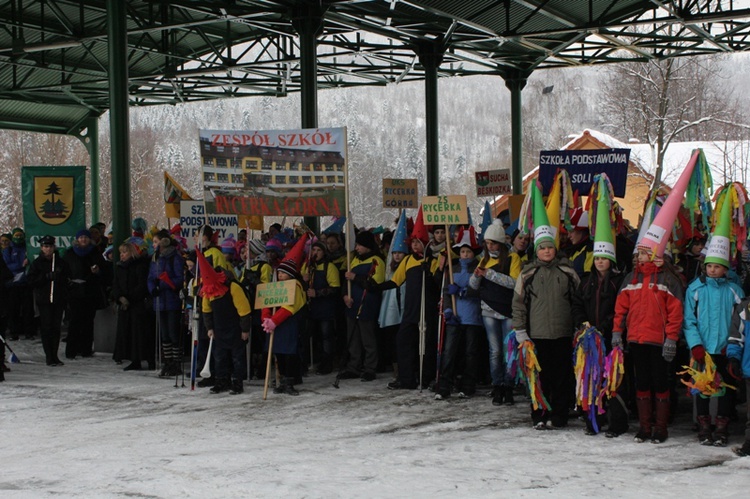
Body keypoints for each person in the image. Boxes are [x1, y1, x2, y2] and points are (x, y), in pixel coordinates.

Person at [512, 183, 580, 429]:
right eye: (543, 248)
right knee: (539, 377)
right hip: (537, 335)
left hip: (562, 333)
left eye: (550, 247)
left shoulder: (568, 272)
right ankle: (539, 413)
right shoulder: (527, 274)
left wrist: (577, 327)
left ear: (555, 248)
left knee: (561, 377)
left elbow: (577, 300)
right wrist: (520, 330)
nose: (547, 251)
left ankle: (559, 414)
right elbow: (519, 304)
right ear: (537, 251)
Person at [683, 199, 745, 446]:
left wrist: (733, 348)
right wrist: (695, 345)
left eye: (717, 267)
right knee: (702, 389)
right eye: (708, 266)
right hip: (703, 349)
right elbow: (689, 320)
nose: (711, 270)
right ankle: (704, 426)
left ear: (725, 268)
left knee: (726, 388)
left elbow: (739, 319)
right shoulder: (695, 289)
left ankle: (722, 427)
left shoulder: (734, 291)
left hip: (725, 348)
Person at [613, 247, 684, 443]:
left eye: (643, 254)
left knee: (660, 382)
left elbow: (676, 313)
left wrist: (671, 338)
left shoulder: (668, 279)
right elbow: (621, 308)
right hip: (637, 339)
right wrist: (617, 332)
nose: (639, 257)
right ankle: (645, 427)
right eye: (637, 254)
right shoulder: (631, 278)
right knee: (641, 381)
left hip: (659, 341)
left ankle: (660, 428)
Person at [378, 209, 439, 390]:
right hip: (411, 310)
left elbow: (437, 284)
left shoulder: (432, 260)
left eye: (418, 242)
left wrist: (430, 271)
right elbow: (395, 282)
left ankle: (425, 377)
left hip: (427, 309)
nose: (414, 246)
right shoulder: (407, 261)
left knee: (426, 345)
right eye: (412, 243)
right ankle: (406, 378)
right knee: (403, 341)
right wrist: (374, 287)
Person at [469, 219, 517, 405]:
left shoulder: (513, 259)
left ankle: (509, 386)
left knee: (508, 351)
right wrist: (476, 275)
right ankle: (497, 386)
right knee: (495, 351)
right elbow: (473, 286)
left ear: (501, 243)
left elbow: (514, 283)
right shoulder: (483, 259)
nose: (490, 246)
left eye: (493, 243)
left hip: (506, 310)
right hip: (488, 310)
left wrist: (489, 274)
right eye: (487, 243)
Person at [435, 227, 483, 400]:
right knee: (449, 352)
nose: (465, 254)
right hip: (455, 316)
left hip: (472, 316)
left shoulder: (479, 268)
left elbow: (481, 290)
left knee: (470, 353)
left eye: (468, 251)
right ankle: (444, 387)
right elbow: (446, 293)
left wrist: (463, 292)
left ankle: (468, 385)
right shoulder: (451, 269)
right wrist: (448, 311)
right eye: (462, 251)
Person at [198, 251, 252, 395]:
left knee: (237, 358)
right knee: (219, 357)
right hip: (219, 330)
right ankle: (222, 381)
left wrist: (245, 329)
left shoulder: (233, 287)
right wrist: (209, 328)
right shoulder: (208, 291)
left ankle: (237, 382)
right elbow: (206, 310)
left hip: (235, 329)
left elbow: (244, 310)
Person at [261, 236, 308, 396]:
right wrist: (266, 318)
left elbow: (290, 307)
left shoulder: (295, 286)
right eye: (279, 272)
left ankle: (290, 381)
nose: (280, 275)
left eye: (283, 273)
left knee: (290, 354)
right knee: (278, 353)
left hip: (288, 325)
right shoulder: (275, 285)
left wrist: (274, 320)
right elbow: (266, 302)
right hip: (277, 325)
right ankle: (280, 379)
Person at [340, 231, 385, 382]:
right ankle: (354, 366)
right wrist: (345, 295)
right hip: (352, 305)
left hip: (367, 305)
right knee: (353, 338)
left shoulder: (376, 260)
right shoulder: (354, 260)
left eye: (359, 245)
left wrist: (355, 277)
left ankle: (370, 368)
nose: (357, 248)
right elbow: (347, 282)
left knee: (368, 338)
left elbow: (374, 283)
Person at [63, 229, 108, 359]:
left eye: (85, 238)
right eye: (81, 237)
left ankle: (86, 349)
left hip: (90, 292)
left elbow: (104, 271)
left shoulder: (95, 253)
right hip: (74, 292)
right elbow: (65, 271)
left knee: (88, 322)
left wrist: (98, 272)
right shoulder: (70, 253)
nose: (83, 240)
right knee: (74, 321)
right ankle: (72, 349)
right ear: (77, 239)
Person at [27, 235, 70, 366]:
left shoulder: (60, 262)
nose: (48, 249)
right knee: (46, 327)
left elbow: (68, 278)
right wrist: (45, 278)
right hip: (44, 300)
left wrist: (60, 278)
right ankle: (49, 356)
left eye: (50, 246)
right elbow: (31, 281)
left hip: (58, 299)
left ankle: (55, 355)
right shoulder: (37, 263)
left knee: (56, 328)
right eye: (46, 246)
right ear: (42, 248)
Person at [148, 229, 185, 377]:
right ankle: (167, 361)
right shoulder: (155, 258)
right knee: (164, 333)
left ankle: (176, 362)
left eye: (156, 242)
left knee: (173, 332)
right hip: (160, 300)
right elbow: (150, 276)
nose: (154, 245)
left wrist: (162, 285)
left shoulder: (174, 257)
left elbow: (179, 278)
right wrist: (152, 288)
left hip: (171, 300)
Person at [112, 242, 153, 371]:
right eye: (121, 253)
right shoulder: (119, 267)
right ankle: (134, 359)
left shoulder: (140, 266)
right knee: (129, 334)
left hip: (138, 305)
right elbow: (116, 285)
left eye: (125, 252)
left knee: (140, 334)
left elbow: (142, 285)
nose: (122, 255)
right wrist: (120, 297)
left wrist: (129, 298)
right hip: (126, 306)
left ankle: (148, 359)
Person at [302, 241, 340, 375]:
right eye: (314, 250)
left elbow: (335, 288)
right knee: (307, 336)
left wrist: (317, 293)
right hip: (310, 309)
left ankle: (326, 364)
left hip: (325, 309)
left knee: (326, 337)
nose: (315, 253)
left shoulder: (329, 267)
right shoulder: (307, 267)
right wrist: (303, 280)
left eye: (318, 250)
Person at [3, 227, 35, 340]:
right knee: (13, 310)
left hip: (26, 283)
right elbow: (6, 265)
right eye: (16, 235)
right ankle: (13, 332)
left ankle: (29, 332)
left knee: (28, 310)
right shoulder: (8, 250)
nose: (18, 238)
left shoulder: (28, 248)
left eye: (20, 235)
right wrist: (21, 265)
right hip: (12, 285)